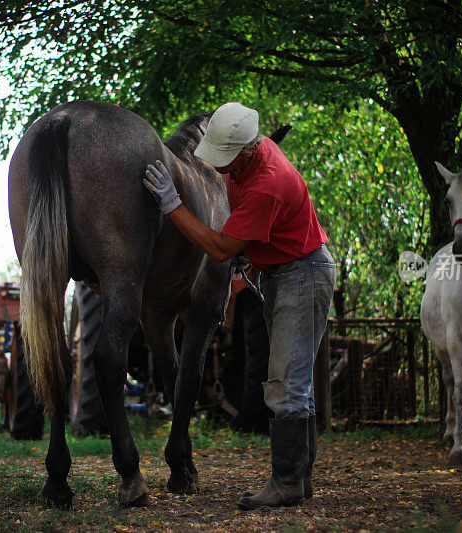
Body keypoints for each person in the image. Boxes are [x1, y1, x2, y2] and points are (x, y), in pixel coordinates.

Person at [143, 102, 336, 510]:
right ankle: (300, 479)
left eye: (226, 160)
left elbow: (219, 248)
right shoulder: (251, 156)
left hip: (301, 274)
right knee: (295, 379)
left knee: (285, 380)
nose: (220, 168)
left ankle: (286, 482)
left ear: (248, 151)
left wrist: (172, 204)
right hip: (286, 271)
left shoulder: (268, 183)